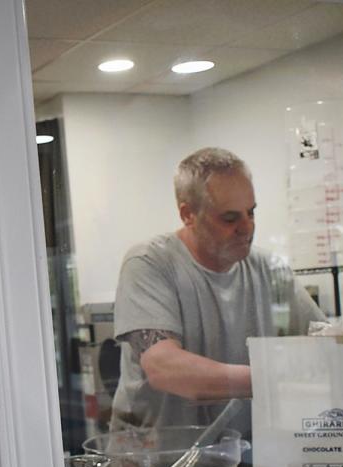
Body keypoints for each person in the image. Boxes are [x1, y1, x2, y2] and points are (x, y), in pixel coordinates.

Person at [110, 147, 325, 438]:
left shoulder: (269, 270)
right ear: (188, 214)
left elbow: (322, 341)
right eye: (229, 218)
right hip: (157, 466)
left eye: (251, 213)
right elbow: (164, 367)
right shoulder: (150, 264)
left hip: (241, 460)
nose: (247, 228)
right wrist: (272, 378)